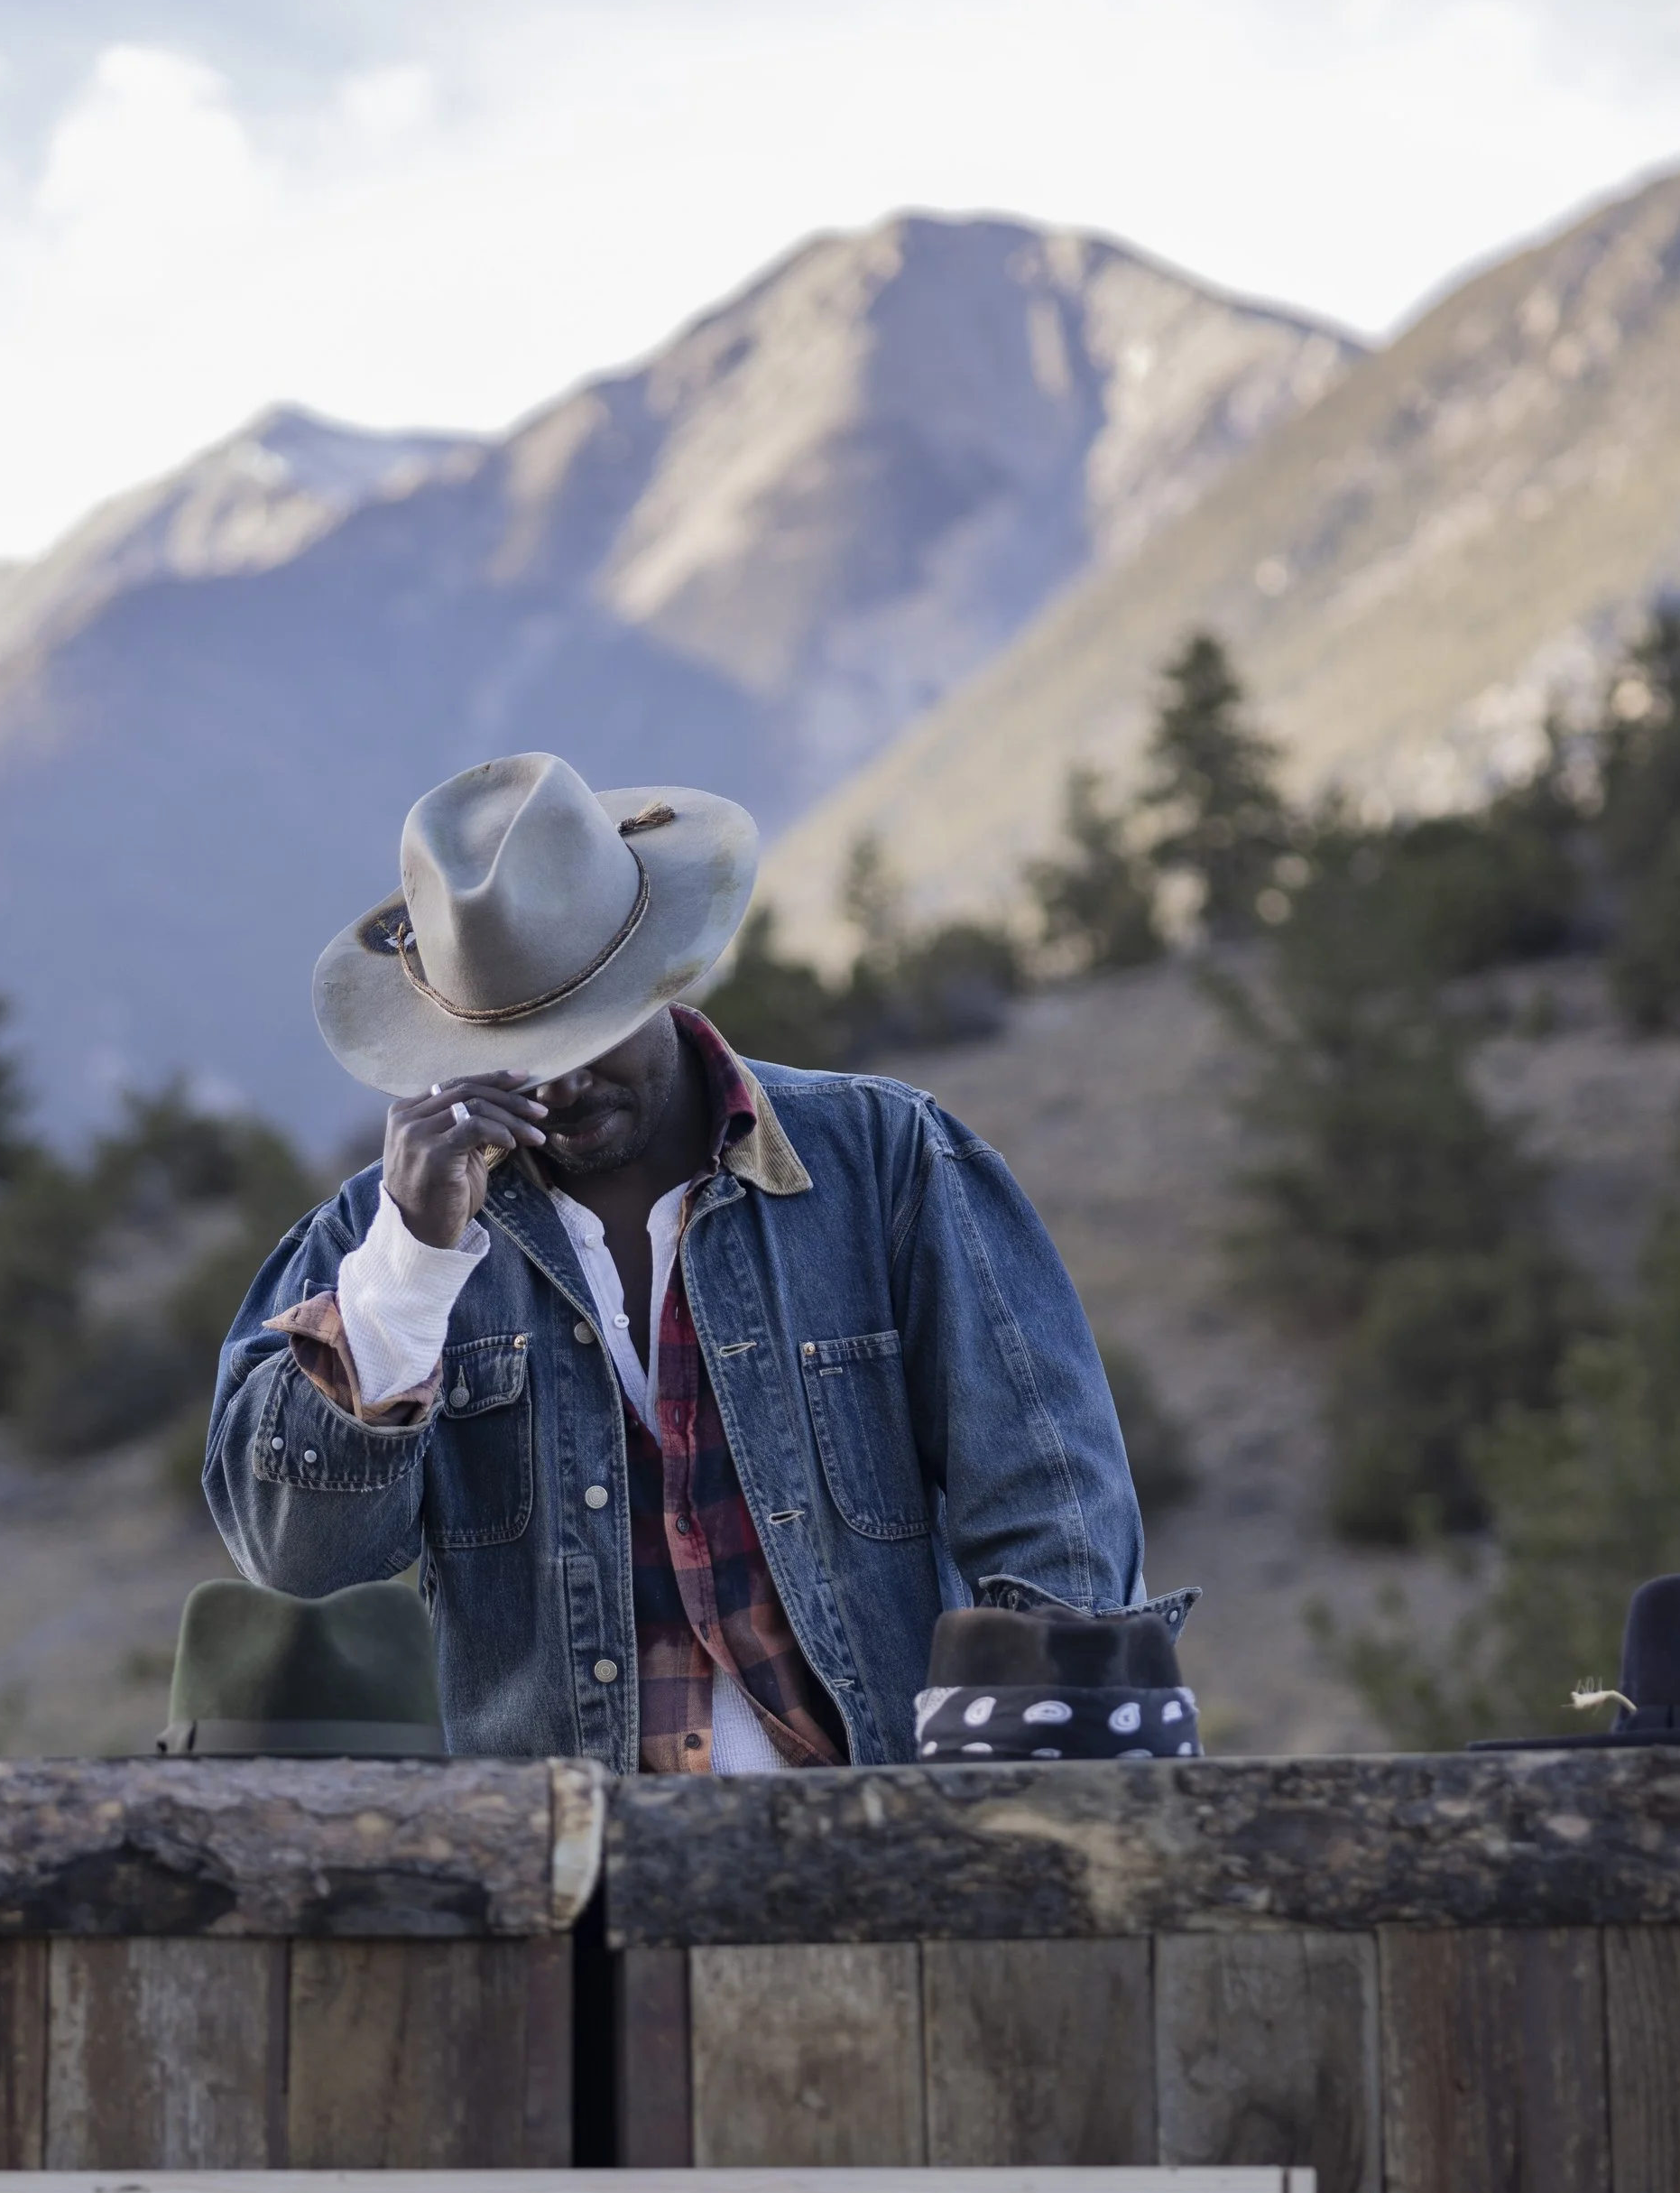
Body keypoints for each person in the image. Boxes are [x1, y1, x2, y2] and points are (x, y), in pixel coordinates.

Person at [205, 752, 1156, 1770]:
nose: (562, 1087)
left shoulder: (888, 1161)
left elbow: (1054, 1514)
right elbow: (296, 1559)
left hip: (877, 1854)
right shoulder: (376, 1238)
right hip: (572, 1890)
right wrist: (409, 1270)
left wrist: (1017, 1823)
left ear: (656, 975)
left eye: (589, 1031)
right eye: (521, 1056)